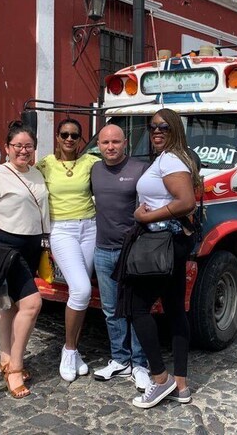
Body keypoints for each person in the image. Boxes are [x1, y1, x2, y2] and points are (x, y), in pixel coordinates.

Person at [129, 108, 200, 409]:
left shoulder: (171, 159)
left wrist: (144, 216)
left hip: (162, 241)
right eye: (152, 127)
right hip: (173, 242)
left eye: (163, 127)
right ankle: (181, 386)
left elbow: (186, 202)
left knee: (136, 307)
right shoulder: (173, 158)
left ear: (175, 131)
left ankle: (160, 379)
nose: (156, 132)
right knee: (174, 309)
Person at [0, 120, 49, 399]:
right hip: (6, 251)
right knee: (32, 303)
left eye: (28, 146)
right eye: (17, 145)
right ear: (7, 148)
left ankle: (5, 358)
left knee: (10, 307)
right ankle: (16, 367)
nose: (23, 151)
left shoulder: (37, 175)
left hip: (32, 249)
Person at [36, 118, 100, 382]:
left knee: (79, 292)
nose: (70, 139)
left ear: (81, 139)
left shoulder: (90, 163)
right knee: (83, 289)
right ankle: (69, 349)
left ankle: (75, 353)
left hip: (90, 228)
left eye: (75, 135)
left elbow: (117, 168)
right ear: (58, 137)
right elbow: (21, 178)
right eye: (65, 134)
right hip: (61, 230)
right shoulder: (45, 165)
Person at [90, 124, 151, 391]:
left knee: (137, 309)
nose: (110, 147)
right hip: (102, 250)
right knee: (111, 310)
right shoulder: (93, 169)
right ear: (99, 145)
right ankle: (120, 360)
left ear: (126, 142)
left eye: (115, 142)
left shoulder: (140, 170)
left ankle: (140, 364)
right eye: (105, 142)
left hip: (133, 251)